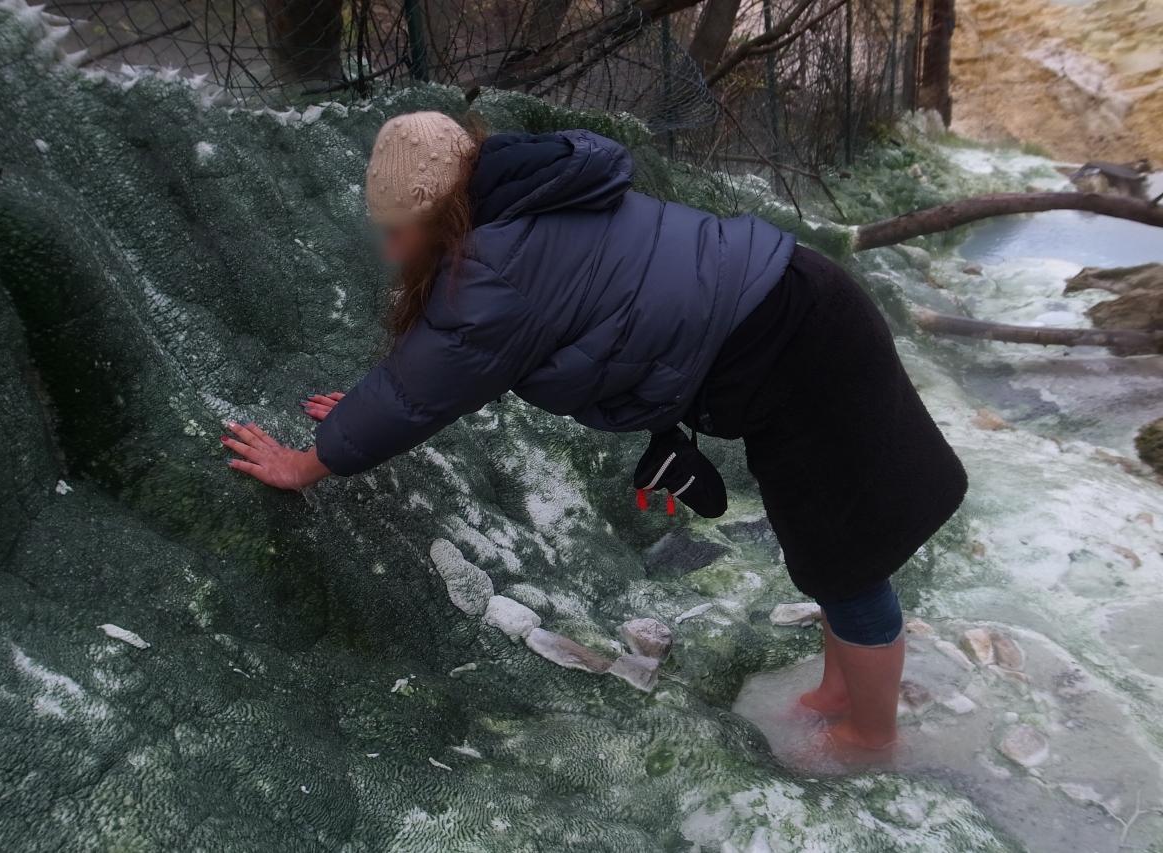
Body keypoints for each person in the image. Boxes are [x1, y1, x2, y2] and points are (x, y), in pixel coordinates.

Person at [221, 112, 968, 755]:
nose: (390, 251)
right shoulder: (524, 197)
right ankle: (839, 691)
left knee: (846, 561)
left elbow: (418, 389)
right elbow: (422, 376)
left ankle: (871, 737)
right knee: (824, 544)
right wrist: (360, 411)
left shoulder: (493, 269)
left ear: (439, 213)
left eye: (398, 232)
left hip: (800, 349)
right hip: (796, 309)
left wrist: (306, 464)